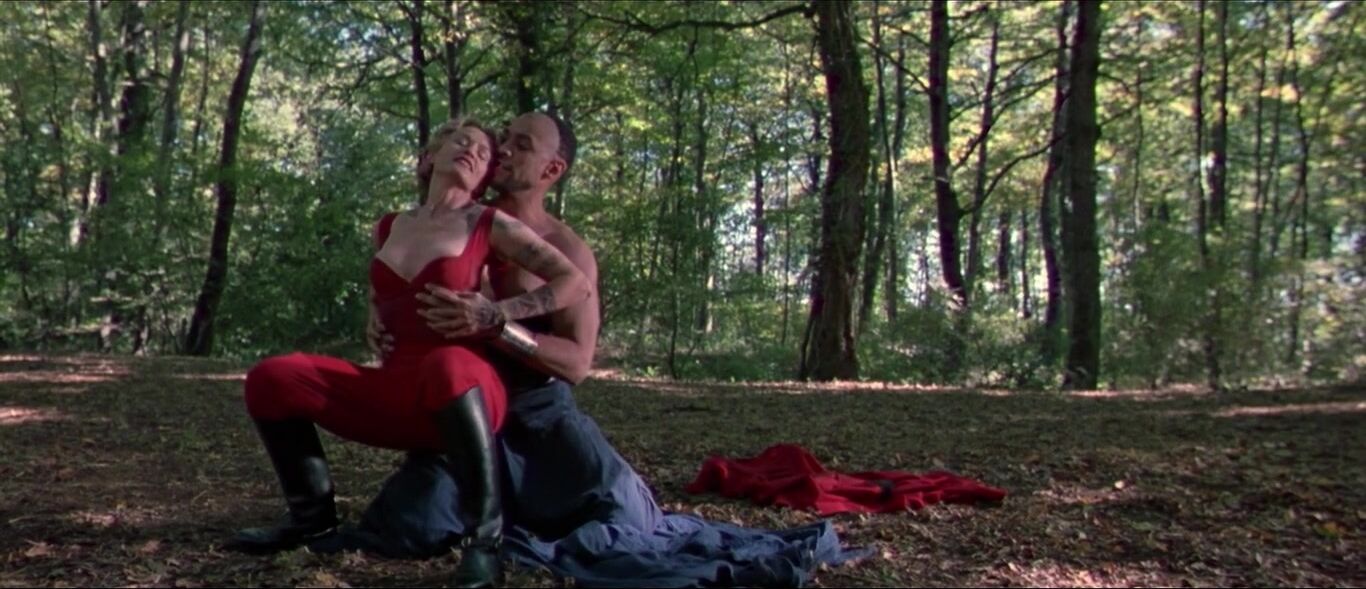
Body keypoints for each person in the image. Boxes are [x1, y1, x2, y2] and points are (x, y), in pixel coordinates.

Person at [229, 117, 591, 588]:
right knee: (273, 377)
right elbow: (383, 286)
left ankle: (484, 544)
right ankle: (311, 520)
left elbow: (574, 283)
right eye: (461, 141)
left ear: (485, 178)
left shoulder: (488, 223)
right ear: (429, 157)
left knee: (447, 365)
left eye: (484, 152)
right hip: (399, 387)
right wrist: (373, 313)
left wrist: (497, 314)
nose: (473, 151)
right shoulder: (388, 227)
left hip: (467, 392)